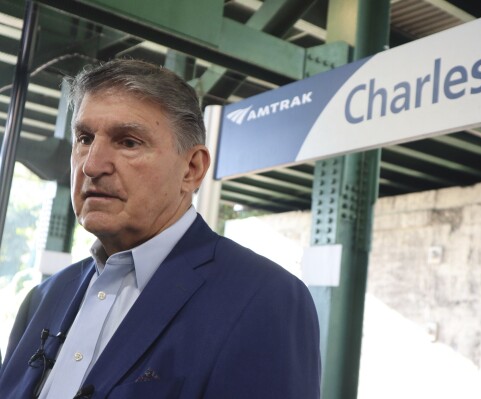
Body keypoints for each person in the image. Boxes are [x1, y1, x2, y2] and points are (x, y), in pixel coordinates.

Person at [0, 59, 321, 398]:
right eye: (84, 137)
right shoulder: (44, 298)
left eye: (128, 142)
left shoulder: (264, 298)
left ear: (191, 169)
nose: (92, 165)